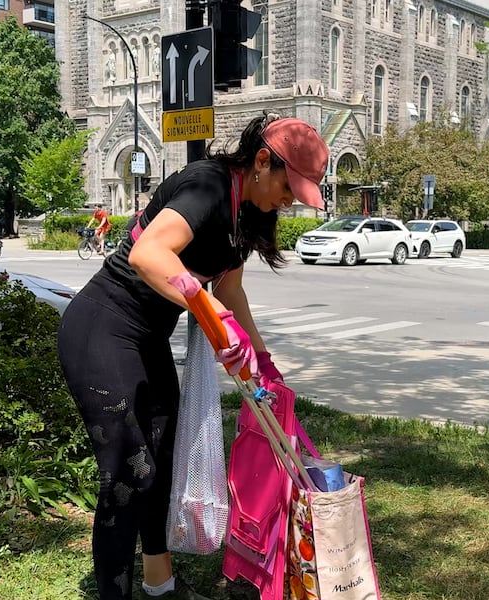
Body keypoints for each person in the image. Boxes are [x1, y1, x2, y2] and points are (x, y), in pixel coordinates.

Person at [56, 113, 329, 600]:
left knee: (161, 461)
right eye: (290, 188)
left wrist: (263, 361)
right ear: (262, 161)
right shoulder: (208, 186)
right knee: (129, 473)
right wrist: (211, 312)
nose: (290, 201)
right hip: (103, 326)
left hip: (148, 338)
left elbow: (231, 291)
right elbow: (148, 255)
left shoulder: (247, 213)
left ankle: (160, 586)